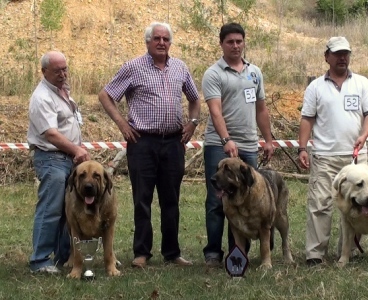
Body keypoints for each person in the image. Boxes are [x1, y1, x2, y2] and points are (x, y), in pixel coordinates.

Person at [98, 22, 200, 268]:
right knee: (142, 198)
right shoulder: (133, 67)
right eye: (157, 38)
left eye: (166, 39)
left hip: (173, 143)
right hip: (142, 142)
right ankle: (142, 253)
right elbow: (105, 95)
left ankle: (172, 253)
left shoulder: (180, 67)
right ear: (148, 42)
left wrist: (193, 123)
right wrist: (122, 124)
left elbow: (195, 99)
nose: (162, 43)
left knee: (171, 199)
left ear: (170, 43)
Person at [297, 36, 368, 266]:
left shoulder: (362, 83)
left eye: (346, 53)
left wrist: (364, 135)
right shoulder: (315, 87)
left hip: (355, 159)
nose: (343, 57)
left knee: (357, 205)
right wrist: (302, 147)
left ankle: (348, 250)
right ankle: (315, 254)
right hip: (324, 157)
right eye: (337, 53)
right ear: (327, 57)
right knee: (320, 204)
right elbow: (307, 119)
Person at [202, 22, 274, 268]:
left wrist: (267, 140)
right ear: (221, 44)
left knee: (249, 197)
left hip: (249, 145)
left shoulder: (255, 73)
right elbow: (215, 111)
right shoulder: (214, 73)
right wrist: (226, 140)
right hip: (218, 144)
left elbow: (261, 109)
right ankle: (213, 253)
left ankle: (238, 254)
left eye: (239, 41)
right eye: (230, 41)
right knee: (217, 199)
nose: (235, 45)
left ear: (244, 42)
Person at [27, 51, 90, 274]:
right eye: (57, 71)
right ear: (44, 72)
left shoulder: (62, 91)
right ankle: (40, 261)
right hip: (52, 159)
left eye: (65, 69)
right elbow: (51, 135)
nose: (63, 74)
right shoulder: (41, 97)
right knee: (51, 209)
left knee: (69, 210)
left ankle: (63, 257)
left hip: (67, 159)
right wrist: (77, 150)